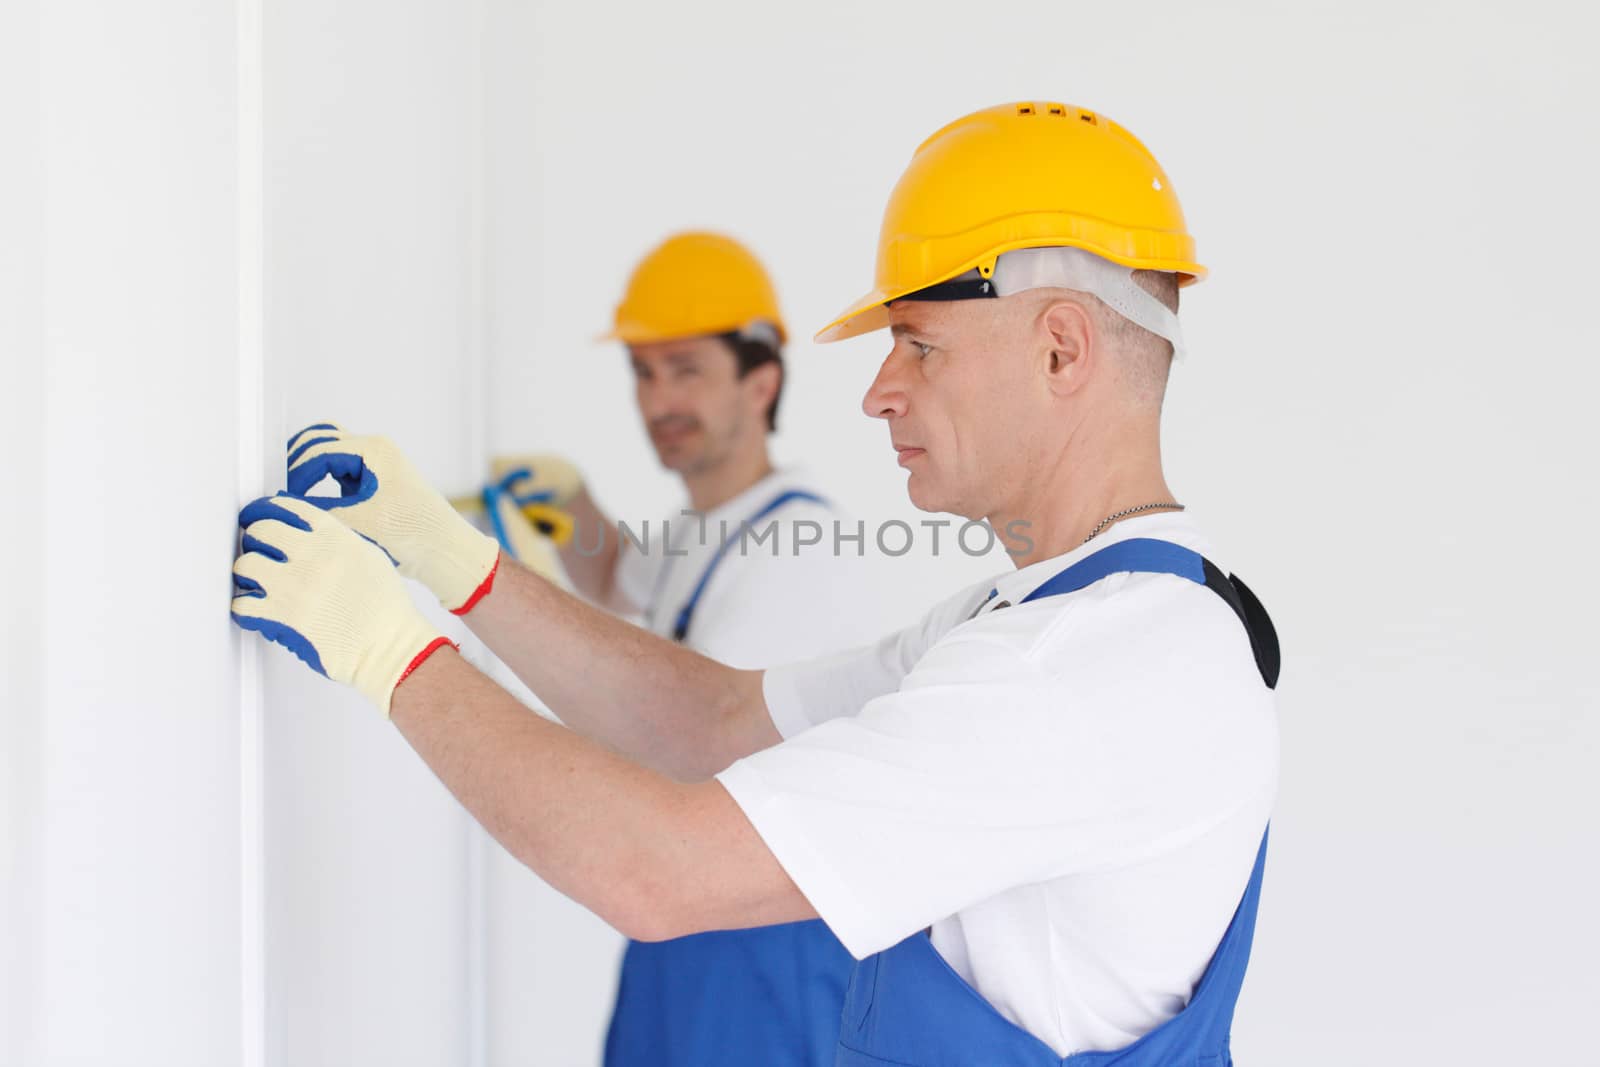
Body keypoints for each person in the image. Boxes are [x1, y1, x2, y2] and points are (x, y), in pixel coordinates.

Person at [233, 100, 1280, 1064]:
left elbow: (655, 868)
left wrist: (391, 653)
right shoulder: (1044, 622)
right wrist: (451, 560)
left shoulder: (1080, 668)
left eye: (919, 344)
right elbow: (714, 717)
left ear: (1060, 349)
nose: (878, 391)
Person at [477, 231, 894, 1066]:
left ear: (761, 380)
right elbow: (629, 587)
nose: (658, 398)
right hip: (690, 934)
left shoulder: (798, 544)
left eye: (687, 370)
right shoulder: (702, 529)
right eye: (643, 371)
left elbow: (672, 728)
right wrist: (578, 514)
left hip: (759, 951)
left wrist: (472, 582)